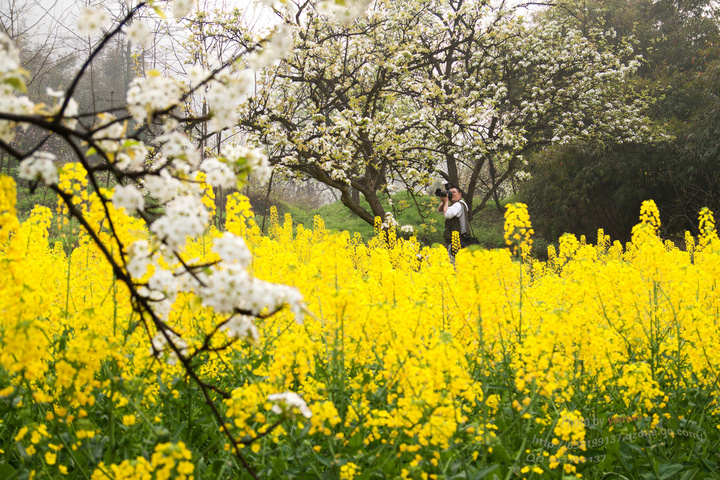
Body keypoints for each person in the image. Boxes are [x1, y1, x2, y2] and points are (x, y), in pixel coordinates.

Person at [437, 185, 470, 261]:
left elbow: (447, 215)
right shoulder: (455, 206)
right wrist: (444, 200)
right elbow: (439, 210)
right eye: (450, 192)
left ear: (460, 195)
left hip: (459, 242)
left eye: (454, 192)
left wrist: (446, 201)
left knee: (455, 265)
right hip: (456, 241)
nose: (452, 194)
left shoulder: (459, 205)